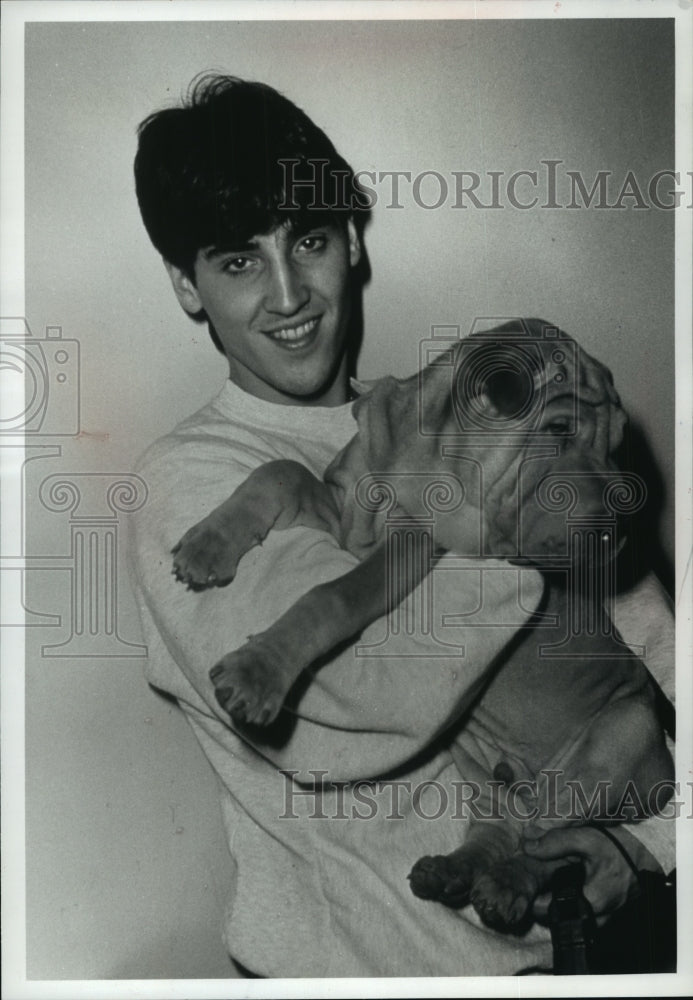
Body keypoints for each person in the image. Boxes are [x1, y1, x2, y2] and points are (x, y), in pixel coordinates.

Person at [128, 74, 675, 977]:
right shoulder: (185, 478)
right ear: (187, 287)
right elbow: (358, 698)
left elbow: (652, 645)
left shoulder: (477, 420)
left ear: (347, 241)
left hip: (573, 947)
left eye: (306, 241)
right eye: (236, 261)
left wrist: (645, 849)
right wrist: (499, 521)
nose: (288, 293)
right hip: (369, 966)